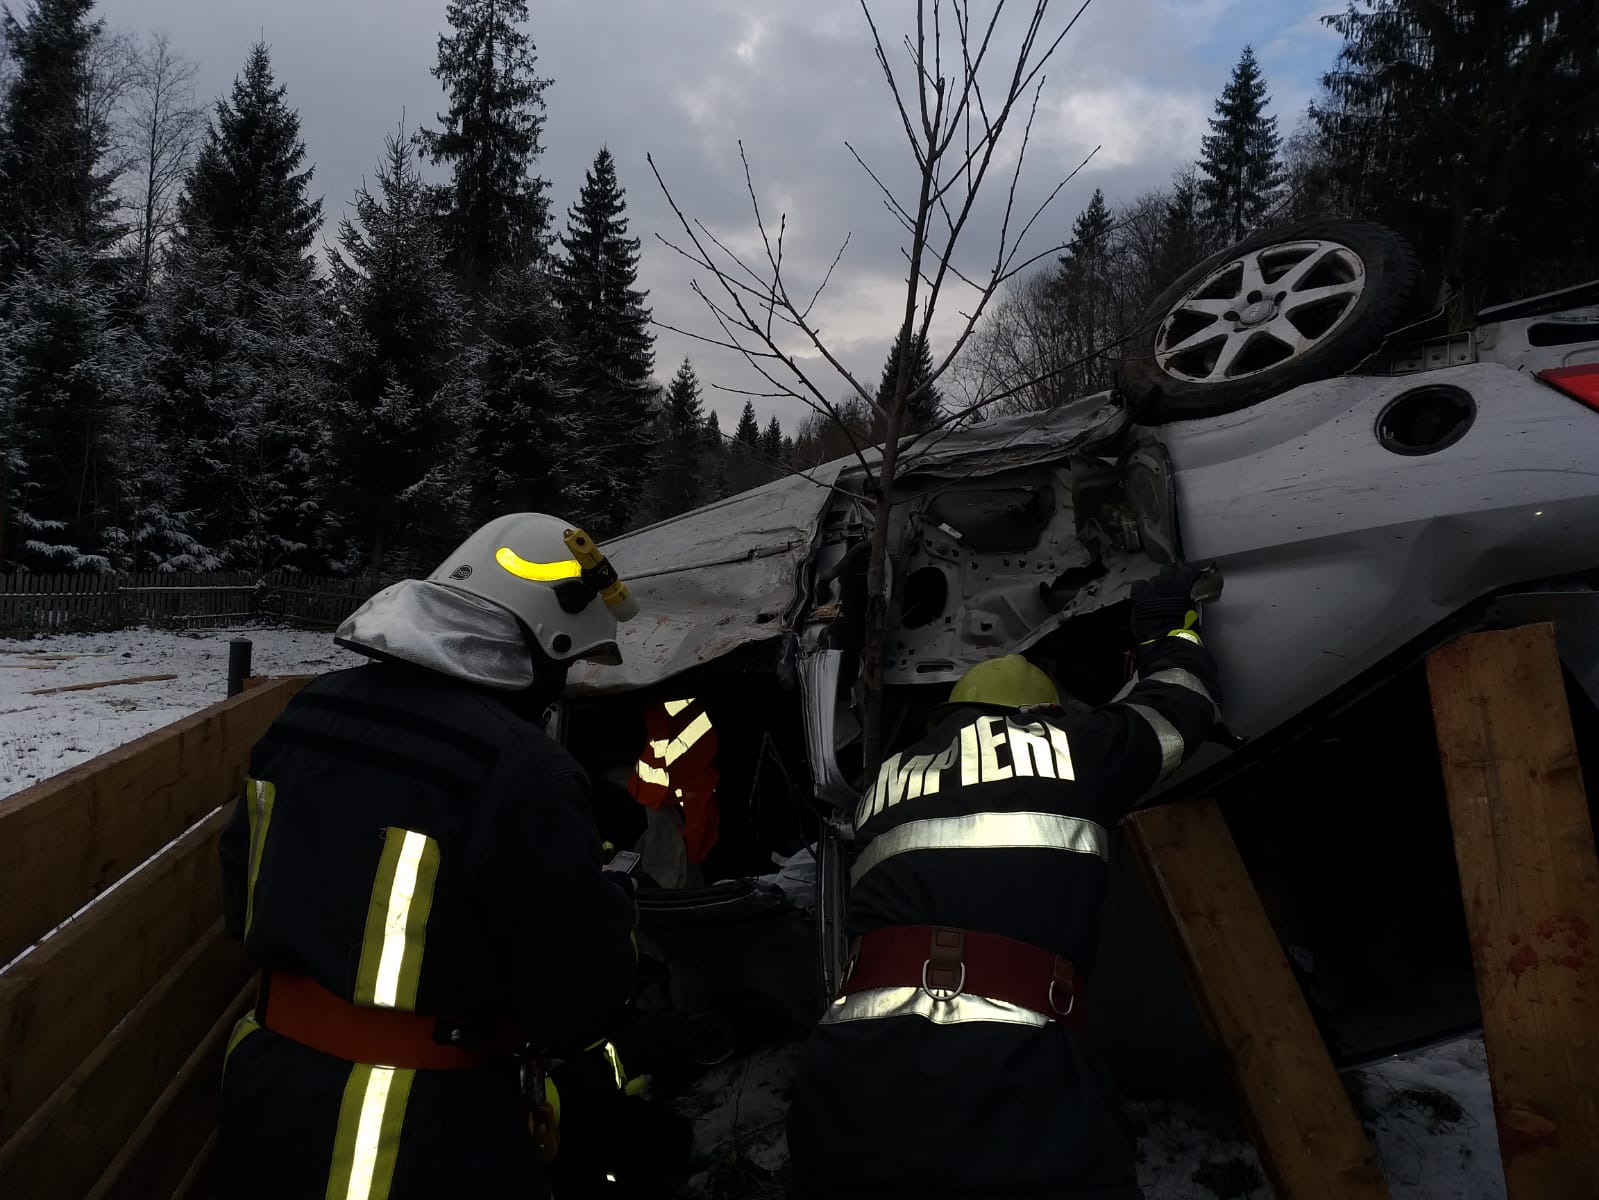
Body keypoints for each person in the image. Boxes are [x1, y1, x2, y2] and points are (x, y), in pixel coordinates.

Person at [217, 513, 641, 1200]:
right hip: (411, 1131)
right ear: (541, 642)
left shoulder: (307, 714)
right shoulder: (522, 767)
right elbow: (573, 1002)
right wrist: (612, 906)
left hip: (264, 1086)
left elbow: (242, 893)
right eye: (564, 663)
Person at [786, 561, 1224, 1199]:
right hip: (1005, 1066)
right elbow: (1181, 710)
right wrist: (1167, 633)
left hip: (845, 1070)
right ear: (1041, 712)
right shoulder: (1068, 746)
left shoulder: (883, 781)